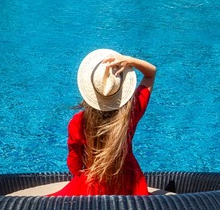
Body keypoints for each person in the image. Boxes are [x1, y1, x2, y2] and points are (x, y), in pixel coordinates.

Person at [50, 49, 156, 196]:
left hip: (91, 186)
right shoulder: (131, 114)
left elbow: (74, 163)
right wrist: (129, 60)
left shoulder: (78, 122)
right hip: (128, 186)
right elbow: (151, 73)